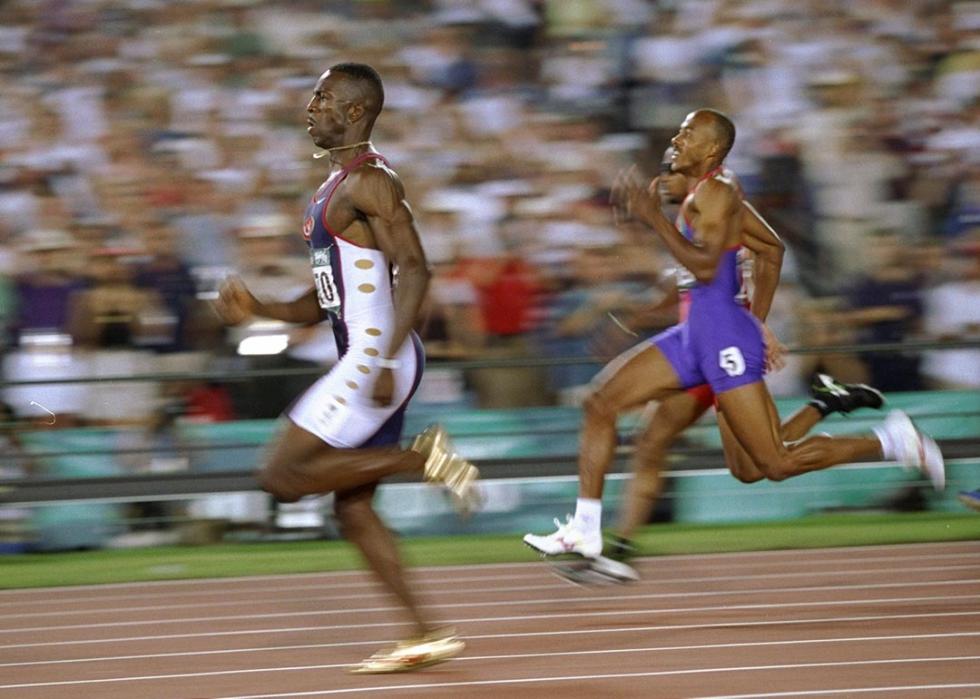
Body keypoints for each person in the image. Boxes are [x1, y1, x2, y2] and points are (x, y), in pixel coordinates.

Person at [524, 109, 944, 562]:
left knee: (774, 463)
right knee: (601, 403)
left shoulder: (719, 194)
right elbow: (771, 249)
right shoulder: (706, 192)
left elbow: (704, 267)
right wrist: (757, 321)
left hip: (721, 338)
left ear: (711, 151)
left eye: (687, 134)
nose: (675, 139)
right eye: (678, 131)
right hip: (697, 335)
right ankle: (586, 529)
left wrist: (654, 219)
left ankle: (892, 441)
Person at [213, 63, 478, 674]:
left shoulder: (371, 182)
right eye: (313, 96)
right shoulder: (333, 189)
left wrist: (383, 354)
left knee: (279, 475)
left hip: (375, 356)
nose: (310, 107)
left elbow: (416, 267)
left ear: (356, 112)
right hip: (369, 353)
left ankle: (424, 458)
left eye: (324, 98)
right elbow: (325, 298)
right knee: (352, 508)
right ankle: (423, 632)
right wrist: (260, 309)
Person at [549, 150, 885, 583]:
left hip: (720, 351)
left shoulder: (717, 204)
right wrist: (631, 318)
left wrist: (755, 324)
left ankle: (615, 551)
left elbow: (736, 265)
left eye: (668, 174)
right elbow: (682, 287)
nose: (662, 181)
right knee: (743, 463)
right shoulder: (695, 216)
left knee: (759, 460)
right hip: (696, 347)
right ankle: (825, 404)